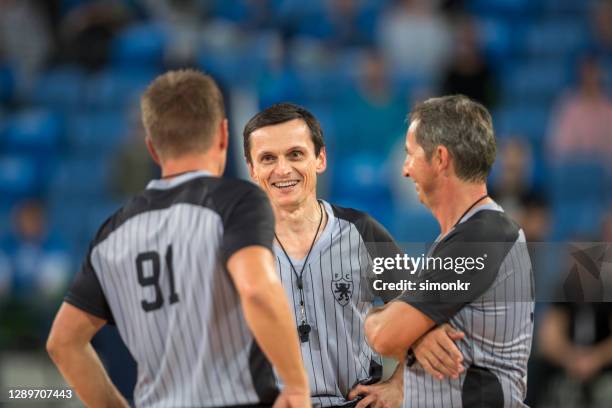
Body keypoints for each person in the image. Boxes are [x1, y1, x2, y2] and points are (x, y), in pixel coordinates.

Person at [46, 70, 310, 408]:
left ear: (152, 149)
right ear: (223, 135)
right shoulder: (236, 201)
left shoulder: (112, 232)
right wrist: (297, 386)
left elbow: (63, 343)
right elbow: (257, 289)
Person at [243, 102, 465, 408]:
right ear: (252, 169)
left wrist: (400, 386)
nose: (282, 169)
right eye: (268, 158)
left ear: (320, 159)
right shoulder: (235, 249)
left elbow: (429, 316)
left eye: (295, 154)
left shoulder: (362, 231)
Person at [364, 95, 535, 407]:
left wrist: (398, 331)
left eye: (410, 154)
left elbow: (384, 336)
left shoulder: (481, 239)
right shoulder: (465, 236)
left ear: (440, 158)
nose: (405, 169)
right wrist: (409, 360)